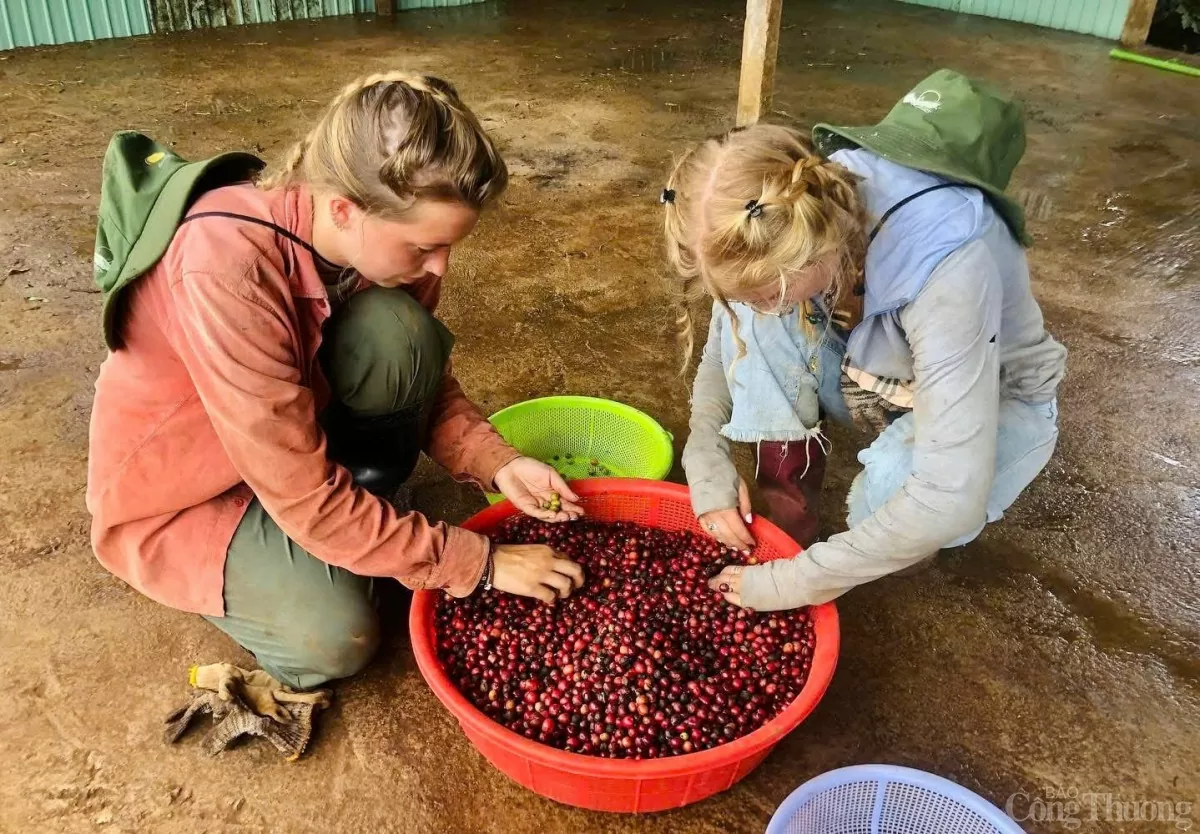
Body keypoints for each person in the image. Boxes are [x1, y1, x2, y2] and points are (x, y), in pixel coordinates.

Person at [86, 73, 584, 694]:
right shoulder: (224, 266)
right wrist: (477, 564)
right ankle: (331, 543)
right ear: (344, 209)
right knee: (335, 637)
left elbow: (427, 380)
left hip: (291, 439)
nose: (440, 267)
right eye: (425, 247)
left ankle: (360, 521)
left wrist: (497, 463)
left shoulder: (374, 240)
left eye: (448, 247)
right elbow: (296, 490)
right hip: (191, 490)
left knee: (402, 332)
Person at [664, 70, 1067, 612]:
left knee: (902, 494)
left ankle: (871, 544)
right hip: (876, 368)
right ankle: (791, 529)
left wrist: (796, 584)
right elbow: (730, 335)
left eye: (764, 291)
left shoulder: (947, 268)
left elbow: (948, 497)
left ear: (813, 252)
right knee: (765, 323)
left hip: (993, 394)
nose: (750, 307)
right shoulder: (793, 202)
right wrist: (704, 449)